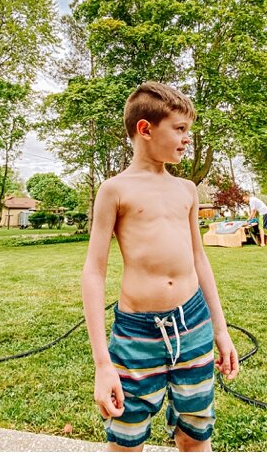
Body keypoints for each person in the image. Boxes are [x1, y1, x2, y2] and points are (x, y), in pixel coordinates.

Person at [84, 82, 239, 450]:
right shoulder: (114, 190)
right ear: (145, 129)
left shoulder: (186, 189)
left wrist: (221, 330)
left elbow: (200, 259)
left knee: (195, 432)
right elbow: (94, 271)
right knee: (126, 437)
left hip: (194, 325)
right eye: (180, 129)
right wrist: (103, 363)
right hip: (137, 334)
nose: (188, 139)